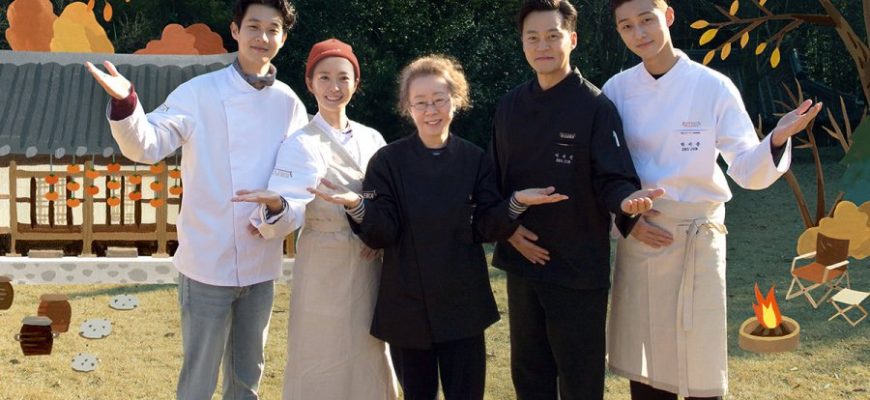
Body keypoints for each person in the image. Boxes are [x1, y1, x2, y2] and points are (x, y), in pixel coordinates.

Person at [310, 55, 569, 400]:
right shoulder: (387, 162)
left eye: (439, 100)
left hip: (463, 306)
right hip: (406, 307)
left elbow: (486, 226)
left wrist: (516, 202)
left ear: (456, 100)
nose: (431, 110)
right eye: (420, 102)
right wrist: (357, 205)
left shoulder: (475, 159)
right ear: (407, 107)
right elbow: (382, 232)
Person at [84, 1, 308, 398]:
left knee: (248, 376)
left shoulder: (289, 104)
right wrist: (126, 104)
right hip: (207, 260)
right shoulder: (199, 92)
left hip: (261, 264)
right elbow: (147, 145)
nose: (262, 37)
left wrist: (279, 212)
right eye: (253, 26)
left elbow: (299, 182)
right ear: (235, 31)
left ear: (283, 38)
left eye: (273, 29)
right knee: (198, 378)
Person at [603, 1, 823, 399]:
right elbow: (603, 170)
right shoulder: (615, 90)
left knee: (701, 359)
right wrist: (628, 222)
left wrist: (776, 138)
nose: (639, 33)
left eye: (647, 20)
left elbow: (745, 166)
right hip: (642, 236)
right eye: (627, 26)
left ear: (668, 16)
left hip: (698, 238)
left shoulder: (712, 86)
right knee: (648, 365)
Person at [489, 1, 665, 399]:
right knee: (529, 374)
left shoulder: (595, 106)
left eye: (553, 36)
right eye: (533, 37)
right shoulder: (510, 105)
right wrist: (508, 230)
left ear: (572, 39)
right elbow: (493, 181)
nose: (543, 46)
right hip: (522, 261)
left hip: (577, 267)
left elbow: (614, 179)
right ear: (522, 43)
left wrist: (628, 204)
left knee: (579, 379)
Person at [231, 38, 399, 400]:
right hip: (323, 259)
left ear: (356, 82)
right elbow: (291, 206)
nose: (334, 87)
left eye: (343, 77)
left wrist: (379, 235)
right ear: (310, 83)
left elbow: (391, 200)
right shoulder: (300, 143)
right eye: (324, 77)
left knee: (368, 350)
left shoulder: (373, 139)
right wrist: (275, 206)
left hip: (369, 263)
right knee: (320, 350)